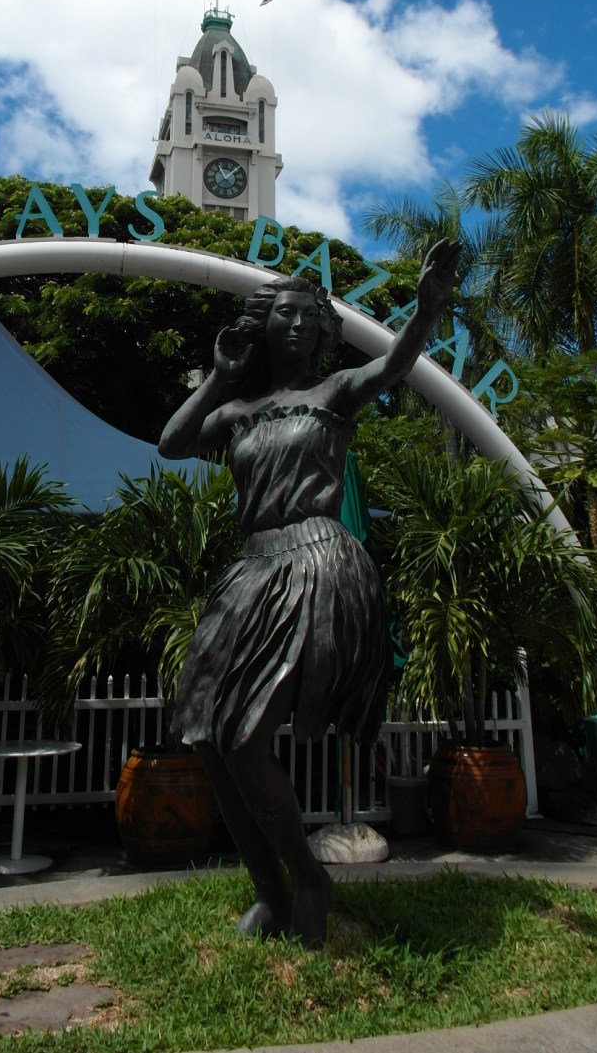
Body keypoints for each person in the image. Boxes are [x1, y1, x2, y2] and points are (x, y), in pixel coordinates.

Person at [158, 239, 458, 947]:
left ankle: (307, 878)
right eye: (283, 316)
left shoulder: (334, 392)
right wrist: (218, 377)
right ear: (262, 327)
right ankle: (271, 890)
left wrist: (426, 310)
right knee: (204, 730)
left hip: (315, 560)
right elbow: (171, 441)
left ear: (325, 332)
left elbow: (394, 363)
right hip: (250, 570)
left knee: (246, 736)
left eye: (308, 318)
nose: (296, 326)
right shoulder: (238, 411)